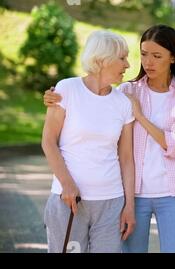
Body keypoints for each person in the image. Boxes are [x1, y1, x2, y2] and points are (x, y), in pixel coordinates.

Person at [43, 25, 175, 253]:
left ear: (173, 57)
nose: (147, 62)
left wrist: (140, 117)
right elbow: (84, 108)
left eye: (157, 56)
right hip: (133, 194)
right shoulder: (127, 91)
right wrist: (52, 98)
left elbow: (174, 147)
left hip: (170, 192)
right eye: (144, 54)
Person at [41, 30, 136, 253]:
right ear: (102, 59)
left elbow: (126, 159)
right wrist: (67, 184)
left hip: (111, 203)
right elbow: (48, 141)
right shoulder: (66, 89)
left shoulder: (123, 103)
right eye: (122, 58)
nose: (128, 64)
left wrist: (129, 206)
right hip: (69, 201)